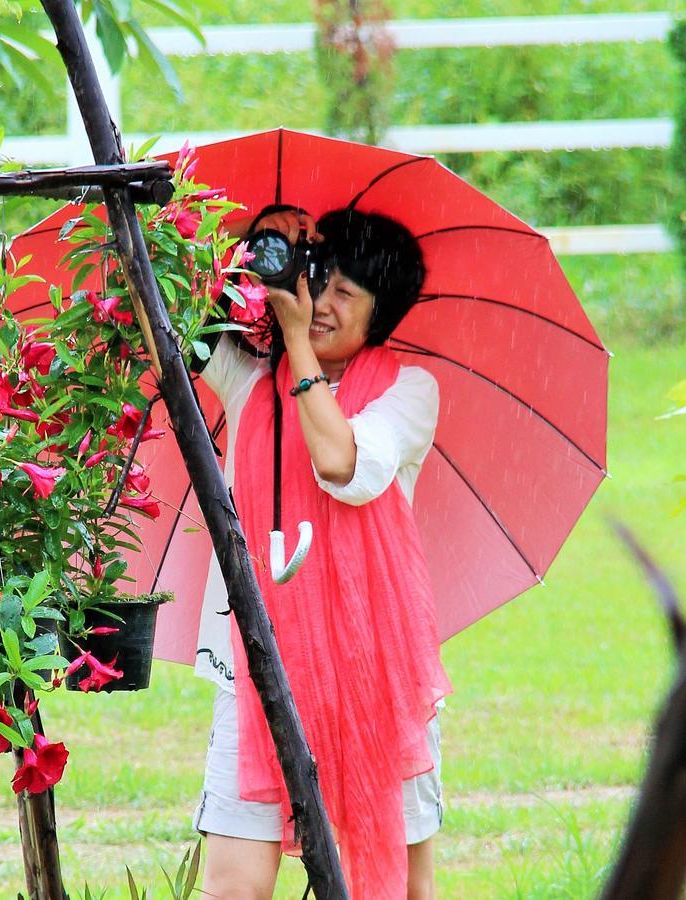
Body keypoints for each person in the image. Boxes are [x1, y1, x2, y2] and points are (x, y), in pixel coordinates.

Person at [190, 204, 452, 899]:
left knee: (400, 882)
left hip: (376, 672)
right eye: (319, 278)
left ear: (380, 314)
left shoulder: (407, 392)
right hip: (260, 663)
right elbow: (177, 321)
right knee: (232, 884)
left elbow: (342, 466)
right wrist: (256, 248)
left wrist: (298, 346)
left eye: (345, 292)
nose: (322, 301)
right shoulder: (248, 376)